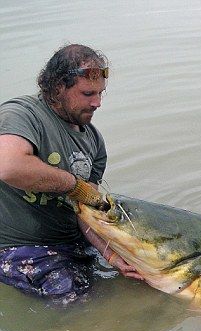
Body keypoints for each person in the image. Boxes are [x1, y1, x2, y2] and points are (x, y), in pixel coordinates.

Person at [0, 44, 140, 305]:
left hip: (74, 244)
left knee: (138, 286)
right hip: (22, 249)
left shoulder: (93, 141)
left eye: (100, 93)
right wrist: (73, 185)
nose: (97, 102)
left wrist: (112, 256)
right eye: (88, 93)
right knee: (79, 305)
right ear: (57, 88)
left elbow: (86, 211)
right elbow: (9, 166)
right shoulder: (22, 114)